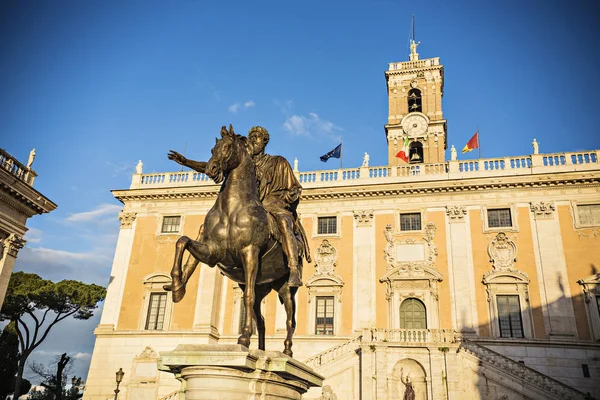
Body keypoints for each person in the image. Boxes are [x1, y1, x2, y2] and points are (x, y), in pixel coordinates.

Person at [167, 125, 305, 287]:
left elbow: (294, 187)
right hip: (248, 208)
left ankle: (294, 269)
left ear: (265, 142)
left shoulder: (278, 162)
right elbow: (213, 165)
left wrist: (291, 195)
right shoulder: (241, 161)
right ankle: (182, 279)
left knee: (283, 221)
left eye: (257, 137)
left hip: (272, 205)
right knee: (205, 230)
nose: (253, 139)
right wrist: (186, 162)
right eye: (251, 136)